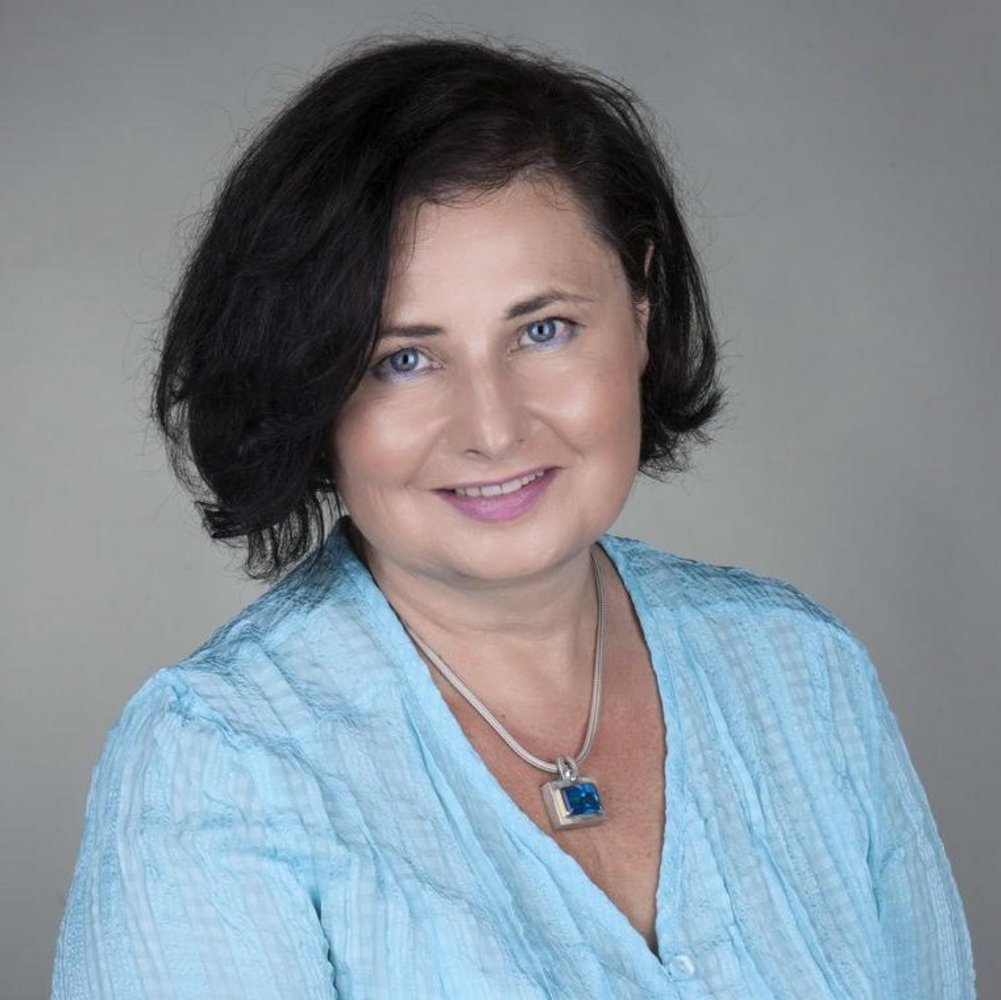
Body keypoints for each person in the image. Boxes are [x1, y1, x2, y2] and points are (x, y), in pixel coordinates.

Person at [51, 35, 975, 999]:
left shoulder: (802, 674)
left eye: (543, 329)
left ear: (640, 316)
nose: (492, 428)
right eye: (403, 358)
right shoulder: (218, 764)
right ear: (306, 386)